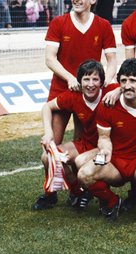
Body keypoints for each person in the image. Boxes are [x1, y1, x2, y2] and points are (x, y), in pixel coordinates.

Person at [77, 58, 136, 221]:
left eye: (133, 80)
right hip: (115, 158)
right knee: (83, 173)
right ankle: (112, 201)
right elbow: (103, 138)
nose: (127, 85)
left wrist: (118, 90)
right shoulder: (107, 104)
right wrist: (105, 152)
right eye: (123, 81)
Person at [44, 0, 118, 145]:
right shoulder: (58, 22)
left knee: (82, 144)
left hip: (89, 92)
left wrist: (106, 79)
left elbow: (112, 60)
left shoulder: (103, 25)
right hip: (61, 88)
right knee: (52, 145)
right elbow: (50, 59)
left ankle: (73, 173)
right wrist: (70, 78)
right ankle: (52, 172)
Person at [32, 60, 110, 211]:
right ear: (79, 82)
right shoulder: (74, 95)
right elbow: (46, 107)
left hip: (106, 146)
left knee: (82, 163)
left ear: (102, 81)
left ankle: (106, 197)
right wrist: (48, 132)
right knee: (47, 157)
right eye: (86, 79)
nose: (91, 84)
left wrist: (118, 91)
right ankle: (78, 192)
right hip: (86, 143)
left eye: (95, 79)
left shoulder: (110, 91)